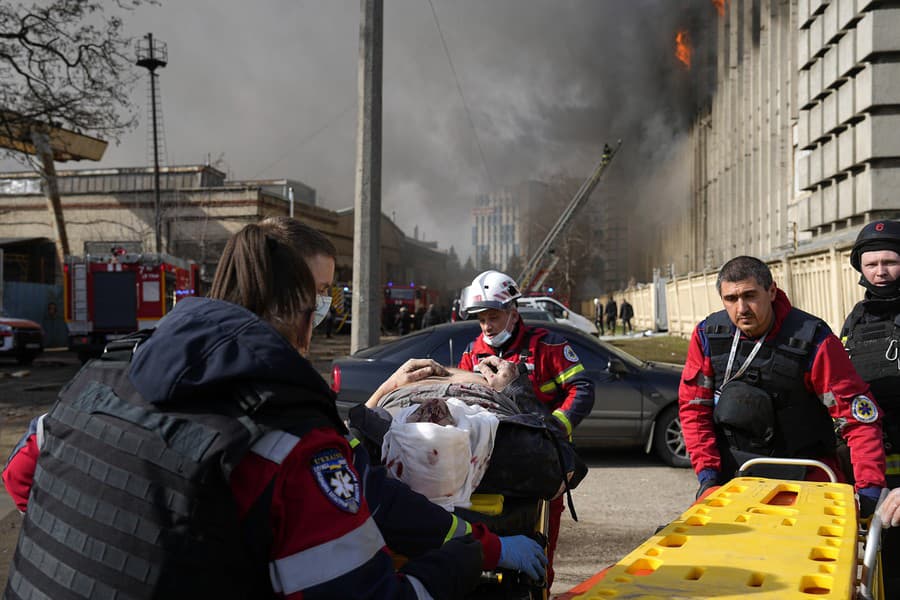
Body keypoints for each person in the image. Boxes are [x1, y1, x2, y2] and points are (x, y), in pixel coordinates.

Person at [3, 217, 547, 592]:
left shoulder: (101, 375)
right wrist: (479, 553)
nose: (325, 312)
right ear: (294, 302)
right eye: (325, 295)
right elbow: (372, 538)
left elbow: (22, 481)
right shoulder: (286, 433)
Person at [678, 255, 886, 512]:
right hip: (735, 478)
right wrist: (708, 477)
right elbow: (694, 409)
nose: (741, 308)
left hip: (806, 476)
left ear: (772, 291)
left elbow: (856, 418)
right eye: (731, 299)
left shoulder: (813, 341)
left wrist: (869, 491)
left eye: (750, 295)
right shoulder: (707, 336)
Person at [456, 269, 595, 587]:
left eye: (493, 316)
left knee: (539, 551)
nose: (487, 326)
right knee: (488, 552)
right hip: (489, 472)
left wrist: (556, 428)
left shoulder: (547, 345)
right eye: (481, 319)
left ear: (512, 312)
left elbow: (582, 388)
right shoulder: (471, 352)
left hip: (542, 466)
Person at [840, 220, 900, 596]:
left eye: (891, 262)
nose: (880, 272)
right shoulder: (856, 320)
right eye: (871, 263)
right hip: (871, 476)